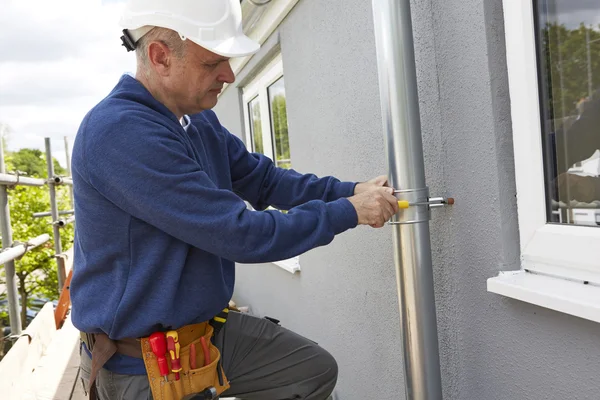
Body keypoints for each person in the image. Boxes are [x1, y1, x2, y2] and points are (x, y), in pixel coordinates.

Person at [71, 1, 399, 399]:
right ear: (159, 56)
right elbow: (239, 233)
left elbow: (263, 180)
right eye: (212, 63)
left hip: (200, 335)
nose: (227, 74)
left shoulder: (195, 118)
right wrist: (347, 212)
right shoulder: (121, 133)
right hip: (141, 364)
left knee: (309, 372)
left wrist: (349, 191)